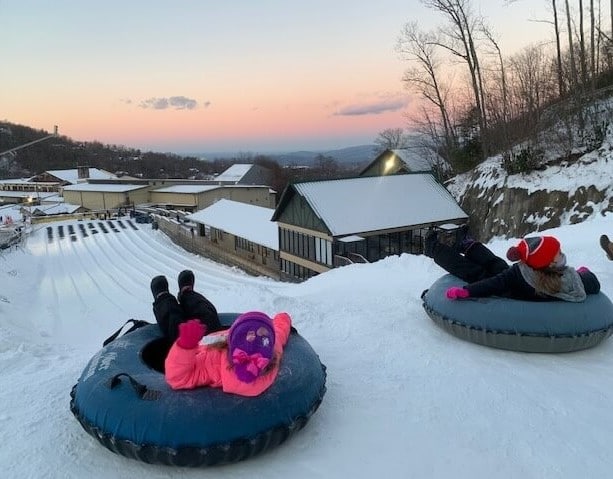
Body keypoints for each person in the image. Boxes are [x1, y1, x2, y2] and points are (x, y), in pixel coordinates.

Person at [424, 230, 600, 302]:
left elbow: (492, 284)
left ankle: (435, 249)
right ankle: (467, 245)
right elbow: (592, 283)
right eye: (559, 253)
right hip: (511, 283)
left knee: (476, 271)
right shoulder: (567, 281)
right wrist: (581, 273)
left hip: (507, 291)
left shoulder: (521, 272)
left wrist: (467, 291)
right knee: (498, 264)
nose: (563, 256)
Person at [164, 311, 292, 397]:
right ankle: (188, 294)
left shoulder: (214, 364)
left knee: (173, 319)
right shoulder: (273, 349)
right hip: (209, 339)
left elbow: (178, 378)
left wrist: (185, 346)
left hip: (190, 351)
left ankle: (166, 297)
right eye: (247, 333)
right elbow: (280, 330)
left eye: (260, 336)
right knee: (206, 313)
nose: (252, 339)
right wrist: (284, 317)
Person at [150, 269, 222, 342]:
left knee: (174, 321)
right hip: (213, 343)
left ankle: (164, 298)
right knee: (206, 314)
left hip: (189, 348)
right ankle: (187, 294)